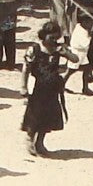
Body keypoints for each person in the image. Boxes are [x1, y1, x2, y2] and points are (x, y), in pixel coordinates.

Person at [21, 21, 73, 157]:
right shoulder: (35, 49)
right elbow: (26, 69)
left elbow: (75, 59)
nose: (54, 41)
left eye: (56, 38)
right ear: (44, 36)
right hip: (38, 88)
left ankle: (40, 143)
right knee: (35, 116)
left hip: (52, 89)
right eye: (51, 38)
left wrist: (66, 53)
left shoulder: (58, 49)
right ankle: (30, 139)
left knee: (48, 117)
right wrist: (23, 87)